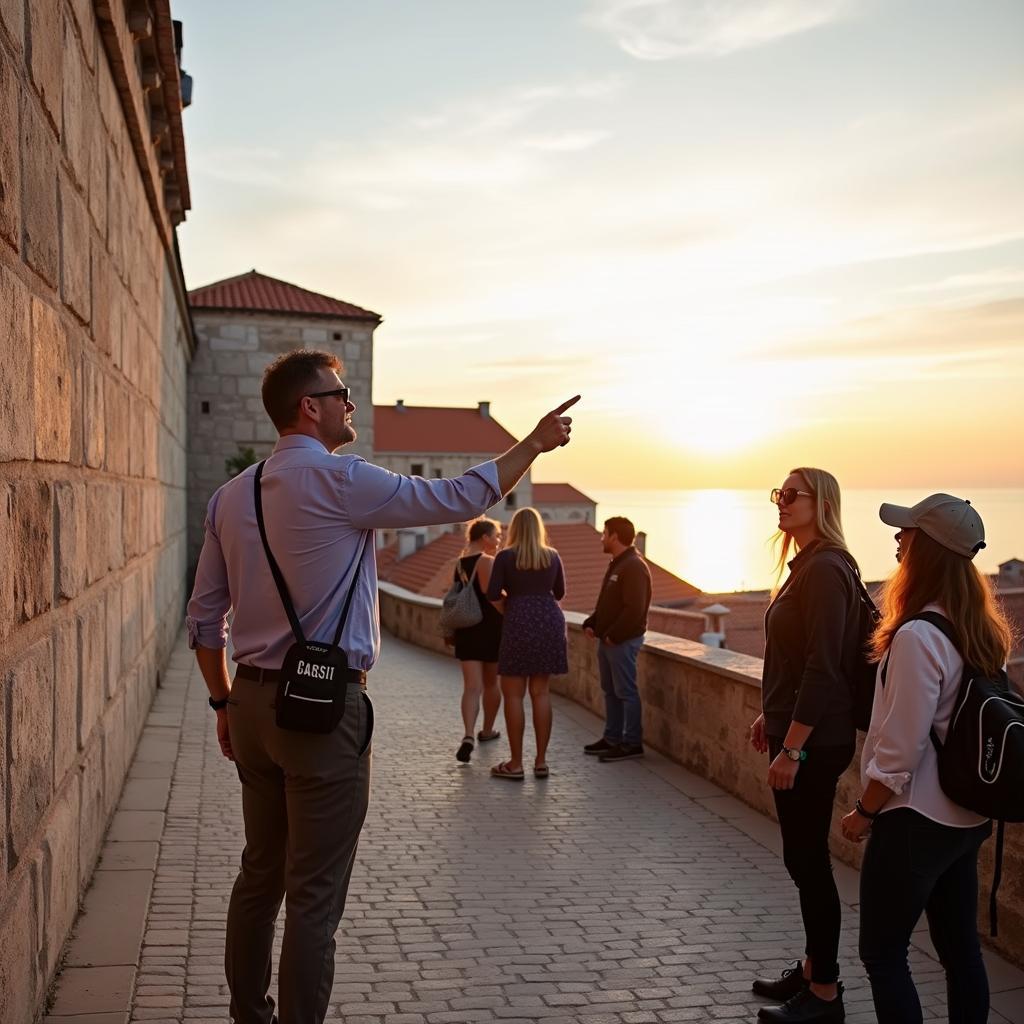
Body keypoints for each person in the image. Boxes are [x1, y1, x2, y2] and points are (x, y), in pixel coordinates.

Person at [186, 348, 579, 1024]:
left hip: (249, 702)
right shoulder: (342, 482)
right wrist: (534, 445)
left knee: (259, 877)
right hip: (319, 707)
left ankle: (248, 1015)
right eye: (339, 393)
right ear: (309, 406)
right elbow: (458, 495)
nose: (350, 404)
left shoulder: (231, 496)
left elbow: (203, 620)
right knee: (312, 895)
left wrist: (224, 701)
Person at [840, 494, 1009, 1024]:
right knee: (961, 954)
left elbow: (900, 746)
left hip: (915, 821)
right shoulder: (981, 631)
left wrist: (864, 811)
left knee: (884, 955)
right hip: (967, 818)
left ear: (929, 549)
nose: (897, 540)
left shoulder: (917, 635)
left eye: (906, 533)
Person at [747, 468, 864, 1023]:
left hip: (816, 741)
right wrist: (766, 716)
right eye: (779, 493)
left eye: (794, 495)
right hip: (798, 728)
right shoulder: (807, 567)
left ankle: (825, 995)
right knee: (803, 860)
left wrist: (791, 748)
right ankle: (816, 966)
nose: (782, 502)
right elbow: (792, 662)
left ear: (823, 504)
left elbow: (824, 669)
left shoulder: (823, 569)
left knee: (809, 863)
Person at [485, 507, 568, 780]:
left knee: (513, 695)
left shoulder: (505, 557)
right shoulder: (553, 556)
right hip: (549, 620)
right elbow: (560, 593)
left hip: (518, 620)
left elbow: (493, 594)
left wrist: (509, 609)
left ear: (515, 529)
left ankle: (516, 763)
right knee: (541, 693)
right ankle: (541, 762)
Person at [581, 516, 653, 762]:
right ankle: (612, 738)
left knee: (626, 692)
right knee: (610, 691)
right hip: (610, 641)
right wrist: (592, 622)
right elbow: (608, 605)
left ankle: (631, 742)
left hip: (622, 642)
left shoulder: (634, 566)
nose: (601, 537)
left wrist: (613, 635)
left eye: (604, 533)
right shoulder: (618, 564)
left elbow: (634, 609)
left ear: (614, 536)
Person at [449, 517, 504, 763]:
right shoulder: (486, 561)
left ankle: (468, 734)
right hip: (489, 629)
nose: (498, 540)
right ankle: (487, 730)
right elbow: (493, 597)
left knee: (471, 687)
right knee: (492, 684)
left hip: (466, 631)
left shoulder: (460, 563)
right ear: (485, 538)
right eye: (496, 535)